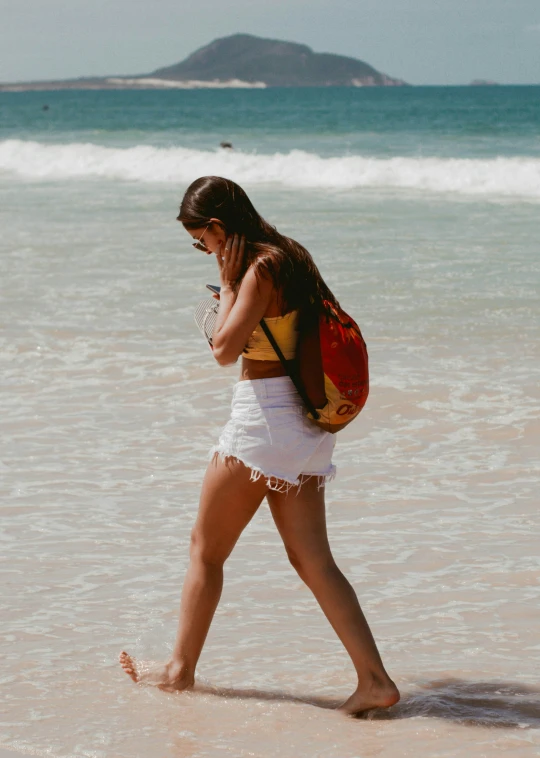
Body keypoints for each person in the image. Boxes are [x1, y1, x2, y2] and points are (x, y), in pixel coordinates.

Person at [119, 176, 399, 715]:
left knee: (206, 547)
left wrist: (225, 286)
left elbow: (225, 349)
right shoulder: (290, 254)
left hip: (264, 420)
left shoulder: (255, 268)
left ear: (219, 226)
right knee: (314, 559)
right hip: (307, 425)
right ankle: (374, 680)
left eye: (202, 240)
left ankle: (179, 673)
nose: (203, 250)